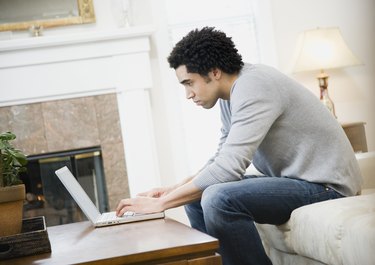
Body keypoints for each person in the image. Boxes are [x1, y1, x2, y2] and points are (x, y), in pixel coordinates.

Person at [116, 27, 362, 265]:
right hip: (300, 181)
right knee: (196, 196)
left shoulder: (254, 86)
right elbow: (222, 159)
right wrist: (171, 190)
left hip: (328, 186)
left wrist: (160, 205)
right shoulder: (230, 96)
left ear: (214, 72)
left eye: (189, 83)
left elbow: (228, 169)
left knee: (217, 197)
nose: (188, 94)